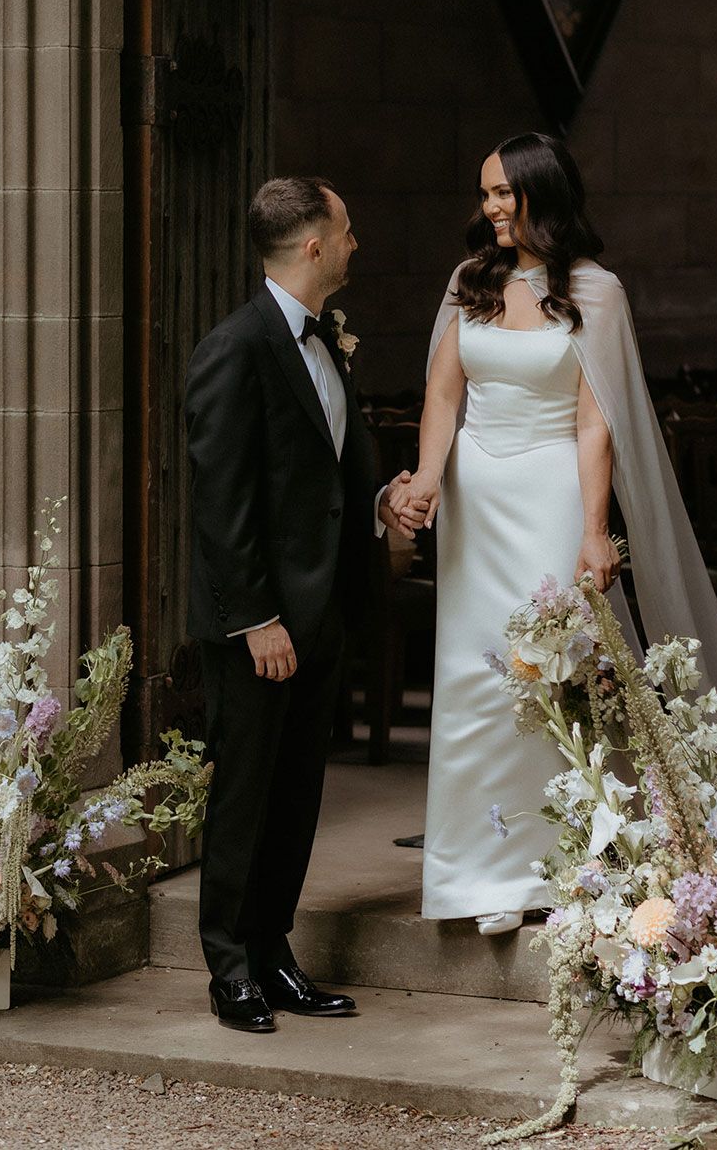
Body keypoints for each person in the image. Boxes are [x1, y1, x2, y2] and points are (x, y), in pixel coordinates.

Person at [398, 133, 717, 935]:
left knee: (555, 677)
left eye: (505, 193)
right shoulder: (469, 280)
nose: (491, 208)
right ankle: (480, 873)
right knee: (478, 678)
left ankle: (566, 865)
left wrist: (594, 529)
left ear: (544, 194)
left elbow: (597, 424)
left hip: (552, 489)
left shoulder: (597, 292)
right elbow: (445, 395)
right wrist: (428, 474)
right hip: (476, 498)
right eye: (485, 194)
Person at [183, 175, 413, 1031]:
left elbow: (323, 470)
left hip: (320, 615)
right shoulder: (234, 349)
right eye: (347, 231)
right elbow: (222, 500)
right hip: (262, 625)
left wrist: (381, 500)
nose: (357, 244)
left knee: (297, 796)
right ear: (313, 244)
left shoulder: (326, 342)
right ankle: (229, 969)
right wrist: (255, 619)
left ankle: (274, 954)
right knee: (245, 793)